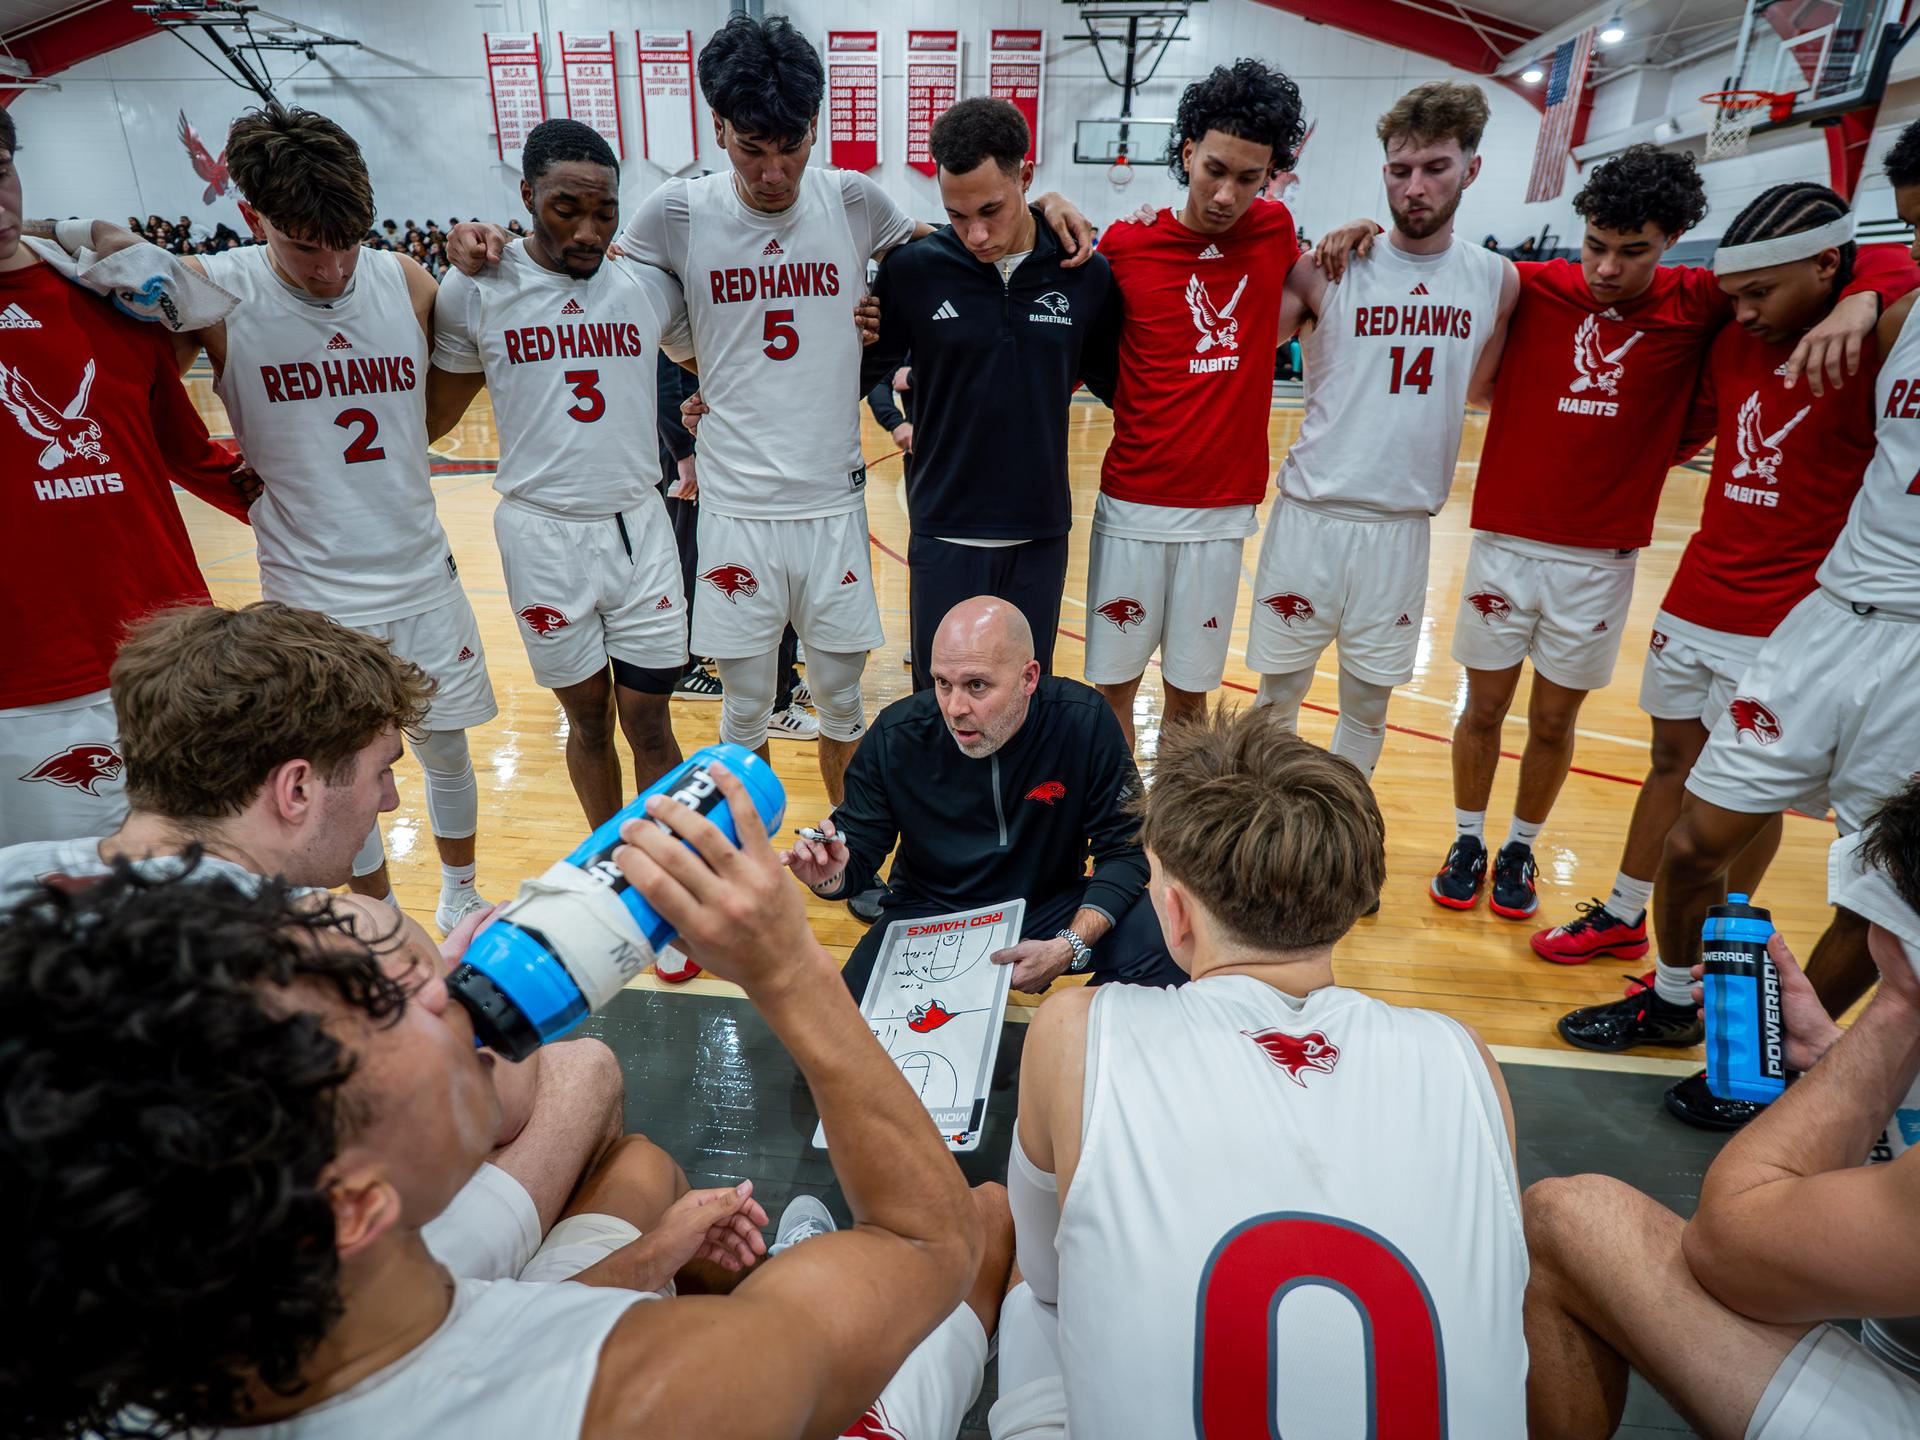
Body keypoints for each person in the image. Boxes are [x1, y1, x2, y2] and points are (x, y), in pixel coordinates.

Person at [2, 758, 1017, 1439]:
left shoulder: (168, 1315)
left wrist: (647, 1260)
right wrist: (789, 969)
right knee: (988, 1216)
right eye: (393, 1002)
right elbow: (923, 1246)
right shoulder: (660, 1395)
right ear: (353, 1207)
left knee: (644, 1172)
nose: (451, 972)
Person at [451, 17, 1088, 804]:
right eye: (752, 149)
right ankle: (737, 865)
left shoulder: (855, 199)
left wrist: (1050, 206)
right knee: (745, 712)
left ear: (816, 126)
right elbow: (597, 289)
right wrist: (488, 242)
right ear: (716, 127)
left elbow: (958, 250)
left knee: (845, 705)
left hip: (833, 503)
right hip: (737, 511)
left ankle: (852, 855)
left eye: (792, 147)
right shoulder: (674, 213)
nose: (776, 171)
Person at [0, 598, 652, 1291]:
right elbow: (501, 1106)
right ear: (297, 787)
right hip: (257, 1317)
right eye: (381, 769)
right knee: (582, 1070)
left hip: (47, 1295)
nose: (391, 800)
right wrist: (451, 999)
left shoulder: (15, 875)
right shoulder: (346, 942)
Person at [1319, 143, 1887, 921]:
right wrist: (1361, 231)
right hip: (1505, 546)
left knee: (1555, 722)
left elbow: (1869, 264)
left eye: (1633, 251)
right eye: (1595, 246)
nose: (1608, 268)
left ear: (1675, 241)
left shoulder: (1704, 302)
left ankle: (1521, 842)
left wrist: (1862, 300)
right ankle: (1468, 837)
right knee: (1479, 711)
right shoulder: (1535, 286)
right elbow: (1430, 254)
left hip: (1601, 558)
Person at [990, 712, 1528, 1438]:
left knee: (1026, 1273)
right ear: (1353, 894)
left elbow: (1049, 1275)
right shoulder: (1466, 1057)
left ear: (1173, 915)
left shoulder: (1079, 1028)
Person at [83, 105, 500, 931]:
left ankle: (461, 892)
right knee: (341, 777)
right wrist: (222, 483)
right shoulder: (216, 295)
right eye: (306, 245)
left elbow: (435, 411)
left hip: (423, 568)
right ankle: (376, 917)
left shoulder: (404, 281)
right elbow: (144, 409)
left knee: (448, 747)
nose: (331, 266)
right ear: (251, 216)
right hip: (311, 590)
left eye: (345, 241)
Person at [1544, 187, 1920, 1099]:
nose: (1740, 311)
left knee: (1879, 895)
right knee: (1688, 838)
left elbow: (1873, 266)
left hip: (1871, 636)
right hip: (1823, 620)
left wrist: (1865, 293)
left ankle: (1787, 1067)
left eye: (1758, 295)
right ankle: (1682, 1000)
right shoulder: (1895, 319)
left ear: (1829, 272)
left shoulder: (1874, 321)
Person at [1522, 776, 1920, 1440]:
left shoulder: (1906, 993)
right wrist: (1831, 1052)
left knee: (1570, 1219)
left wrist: (1899, 1007)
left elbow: (1731, 1254)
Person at [0, 108, 254, 847]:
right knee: (65, 916)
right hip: (26, 685)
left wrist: (324, 519)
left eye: (1, 170)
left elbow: (192, 454)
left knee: (205, 879)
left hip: (172, 657)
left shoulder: (107, 301)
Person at [427, 120, 692, 828]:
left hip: (638, 524)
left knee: (652, 721)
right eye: (565, 209)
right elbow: (432, 420)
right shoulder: (478, 289)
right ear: (526, 196)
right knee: (589, 721)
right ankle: (606, 866)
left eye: (604, 211)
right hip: (542, 535)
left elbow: (724, 351)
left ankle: (669, 870)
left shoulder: (645, 286)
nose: (587, 230)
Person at [1250, 82, 1514, 784]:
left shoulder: (1497, 281)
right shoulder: (1328, 267)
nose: (1415, 187)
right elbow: (1239, 345)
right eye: (1400, 171)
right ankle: (1258, 844)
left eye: (1436, 168)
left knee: (1367, 707)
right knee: (1276, 697)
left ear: (1472, 169)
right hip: (1311, 516)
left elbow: (1483, 389)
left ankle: (1337, 847)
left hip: (1400, 528)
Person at [784, 597, 1181, 998]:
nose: (955, 708)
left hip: (1046, 906)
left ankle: (1089, 1039)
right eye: (942, 683)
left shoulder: (1084, 720)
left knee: (1169, 940)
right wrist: (830, 876)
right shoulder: (896, 736)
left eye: (977, 685)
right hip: (930, 912)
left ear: (1029, 678)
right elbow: (857, 852)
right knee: (845, 1035)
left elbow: (1125, 850)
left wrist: (1068, 945)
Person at [1083, 60, 1308, 751]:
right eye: (1214, 169)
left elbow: (1313, 295)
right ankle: (1119, 836)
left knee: (1190, 694)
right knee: (1112, 690)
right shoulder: (1126, 244)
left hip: (1219, 513)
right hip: (1134, 502)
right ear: (1186, 153)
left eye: (1249, 177)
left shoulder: (1275, 232)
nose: (1226, 193)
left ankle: (1176, 845)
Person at [861, 98, 1119, 693]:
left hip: (1039, 532)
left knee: (1026, 701)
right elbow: (858, 371)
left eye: (991, 210)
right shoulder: (915, 270)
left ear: (1027, 178)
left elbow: (1125, 387)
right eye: (956, 215)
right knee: (941, 706)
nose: (975, 234)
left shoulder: (1084, 273)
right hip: (943, 529)